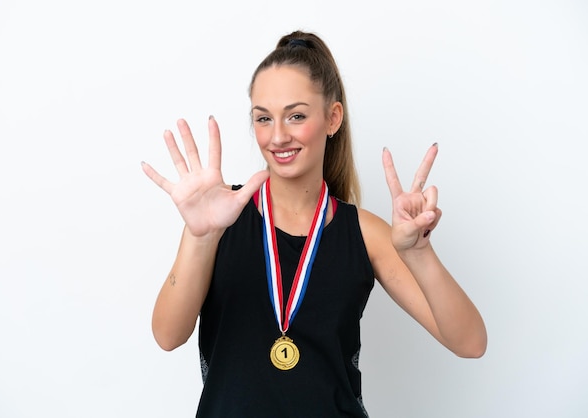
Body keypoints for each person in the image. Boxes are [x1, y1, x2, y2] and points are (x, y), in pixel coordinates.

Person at [141, 29, 487, 417]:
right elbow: (168, 335)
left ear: (332, 118)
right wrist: (199, 236)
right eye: (263, 119)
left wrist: (420, 252)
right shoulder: (219, 214)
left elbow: (470, 342)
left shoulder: (365, 234)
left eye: (297, 116)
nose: (278, 136)